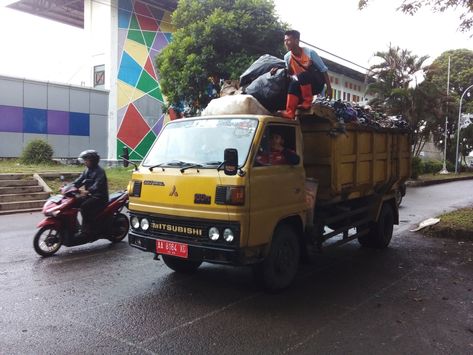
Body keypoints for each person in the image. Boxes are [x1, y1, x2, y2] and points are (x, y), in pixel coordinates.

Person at [277, 30, 333, 120]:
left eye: (288, 40)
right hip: (303, 85)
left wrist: (329, 88)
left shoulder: (310, 53)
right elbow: (290, 73)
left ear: (296, 41)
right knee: (293, 84)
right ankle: (290, 112)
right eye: (285, 41)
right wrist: (278, 70)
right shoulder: (287, 57)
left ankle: (307, 102)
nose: (286, 43)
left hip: (316, 84)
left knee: (302, 75)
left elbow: (323, 70)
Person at [73, 150, 109, 238]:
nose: (85, 162)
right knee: (73, 202)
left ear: (93, 160)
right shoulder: (87, 170)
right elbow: (79, 181)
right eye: (84, 160)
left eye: (87, 160)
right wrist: (69, 186)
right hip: (90, 196)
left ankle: (87, 230)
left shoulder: (100, 171)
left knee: (84, 207)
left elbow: (97, 185)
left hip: (99, 197)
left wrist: (88, 191)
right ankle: (74, 227)